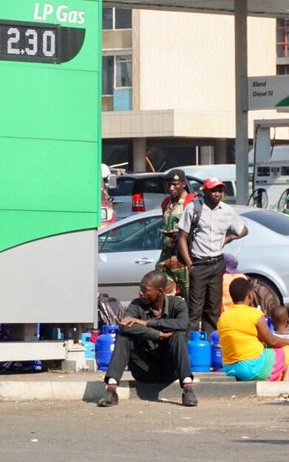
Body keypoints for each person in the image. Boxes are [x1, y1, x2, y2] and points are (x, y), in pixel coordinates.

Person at [97, 271, 197, 408]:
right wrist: (157, 334)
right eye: (140, 288)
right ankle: (111, 390)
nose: (140, 293)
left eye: (145, 290)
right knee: (123, 336)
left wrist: (147, 323)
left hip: (170, 368)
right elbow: (125, 327)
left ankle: (188, 389)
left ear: (160, 291)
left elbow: (182, 324)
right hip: (143, 368)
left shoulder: (177, 304)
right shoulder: (136, 305)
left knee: (178, 334)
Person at [177, 177, 248, 333]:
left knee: (213, 309)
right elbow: (181, 237)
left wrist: (230, 238)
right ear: (206, 191)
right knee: (195, 309)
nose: (217, 194)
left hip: (217, 264)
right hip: (199, 264)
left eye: (220, 190)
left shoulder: (227, 211)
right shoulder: (193, 208)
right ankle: (192, 346)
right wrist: (190, 265)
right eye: (214, 190)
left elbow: (243, 229)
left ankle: (209, 344)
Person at [218, 278, 289, 382]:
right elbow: (271, 341)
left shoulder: (223, 317)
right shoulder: (254, 314)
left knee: (284, 366)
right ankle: (285, 385)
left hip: (230, 368)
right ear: (249, 295)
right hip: (252, 368)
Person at [157, 169, 197, 298]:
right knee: (164, 294)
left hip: (183, 256)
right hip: (167, 255)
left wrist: (182, 235)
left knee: (189, 294)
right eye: (169, 185)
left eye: (175, 184)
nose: (171, 188)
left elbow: (197, 228)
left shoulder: (191, 202)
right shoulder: (166, 203)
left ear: (183, 184)